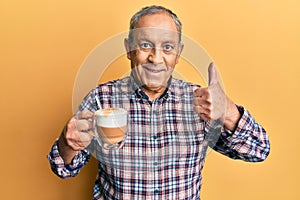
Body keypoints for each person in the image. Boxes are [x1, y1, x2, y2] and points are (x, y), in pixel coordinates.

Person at [48, 5, 270, 199]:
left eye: (167, 47)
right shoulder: (101, 99)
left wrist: (229, 112)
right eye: (145, 45)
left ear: (179, 53)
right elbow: (62, 168)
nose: (155, 58)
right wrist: (68, 144)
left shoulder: (202, 102)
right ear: (129, 49)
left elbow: (259, 150)